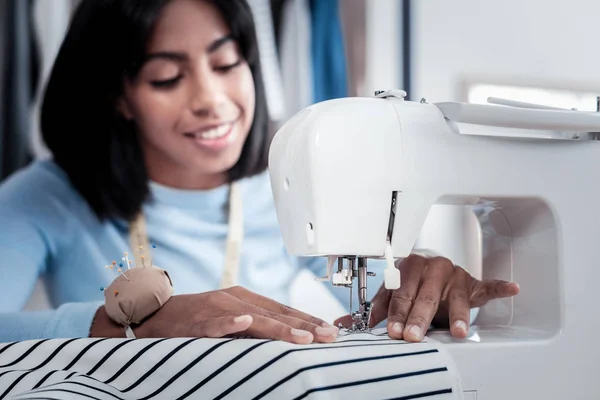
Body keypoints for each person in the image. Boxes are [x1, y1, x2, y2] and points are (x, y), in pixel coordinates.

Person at [0, 0, 519, 345]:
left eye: (227, 65)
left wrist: (417, 280)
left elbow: (377, 294)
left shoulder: (290, 187)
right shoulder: (48, 198)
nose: (211, 100)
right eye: (167, 78)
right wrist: (124, 327)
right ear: (120, 96)